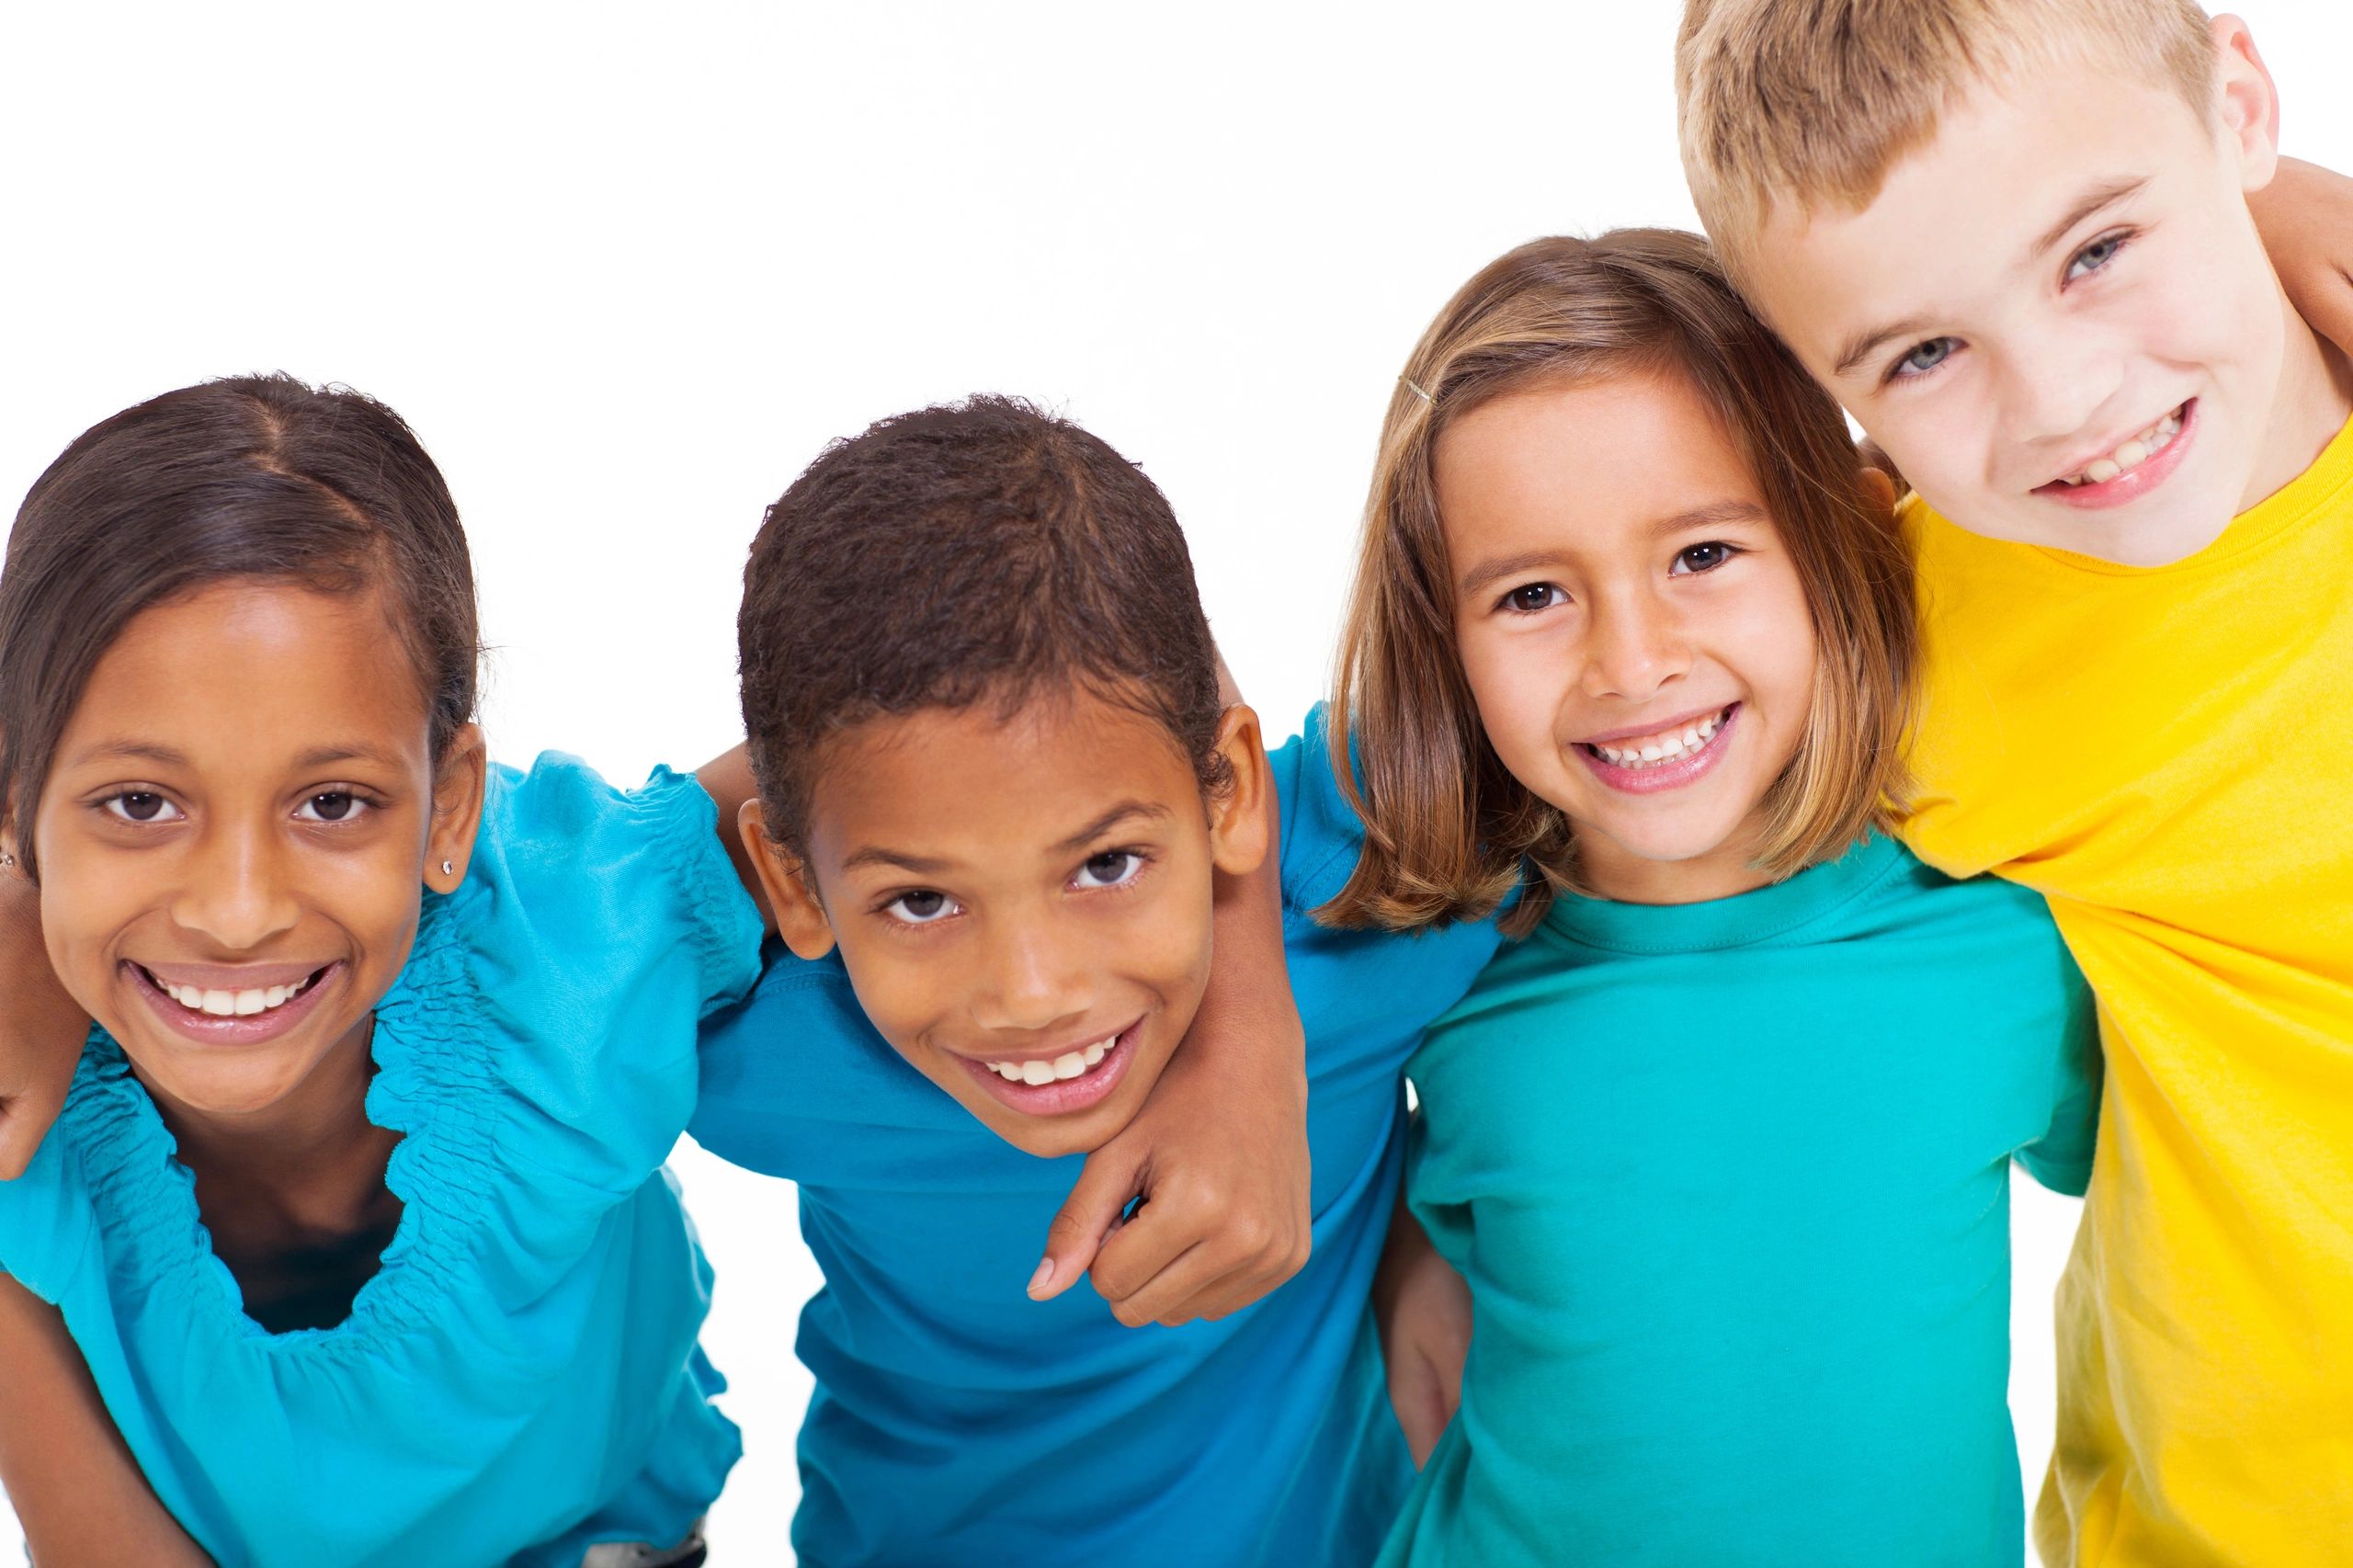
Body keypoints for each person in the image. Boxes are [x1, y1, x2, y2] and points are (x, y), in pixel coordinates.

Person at [1677, 5, 2353, 1560]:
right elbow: (1507, 767)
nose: (2059, 399)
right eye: (1924, 353)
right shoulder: (1907, 650)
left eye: (2096, 251)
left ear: (2243, 105)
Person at [1340, 230, 2098, 1566]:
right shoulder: (1430, 965)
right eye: (1531, 593)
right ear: (1442, 643)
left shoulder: (2005, 936)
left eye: (1700, 554)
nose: (1631, 662)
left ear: (1842, 538)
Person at [688, 395, 1500, 1565]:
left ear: (1230, 791)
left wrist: (1253, 1029)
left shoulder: (1383, 881)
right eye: (921, 900)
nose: (1030, 993)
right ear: (790, 881)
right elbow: (542, 888)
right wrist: (1244, 1026)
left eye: (1105, 865)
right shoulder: (747, 1036)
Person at [0, 375, 757, 1565]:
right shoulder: (19, 1131)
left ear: (450, 808)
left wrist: (1125, 1053)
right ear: (17, 805)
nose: (237, 911)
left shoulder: (568, 947)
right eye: (140, 802)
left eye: (333, 801)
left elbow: (908, 759)